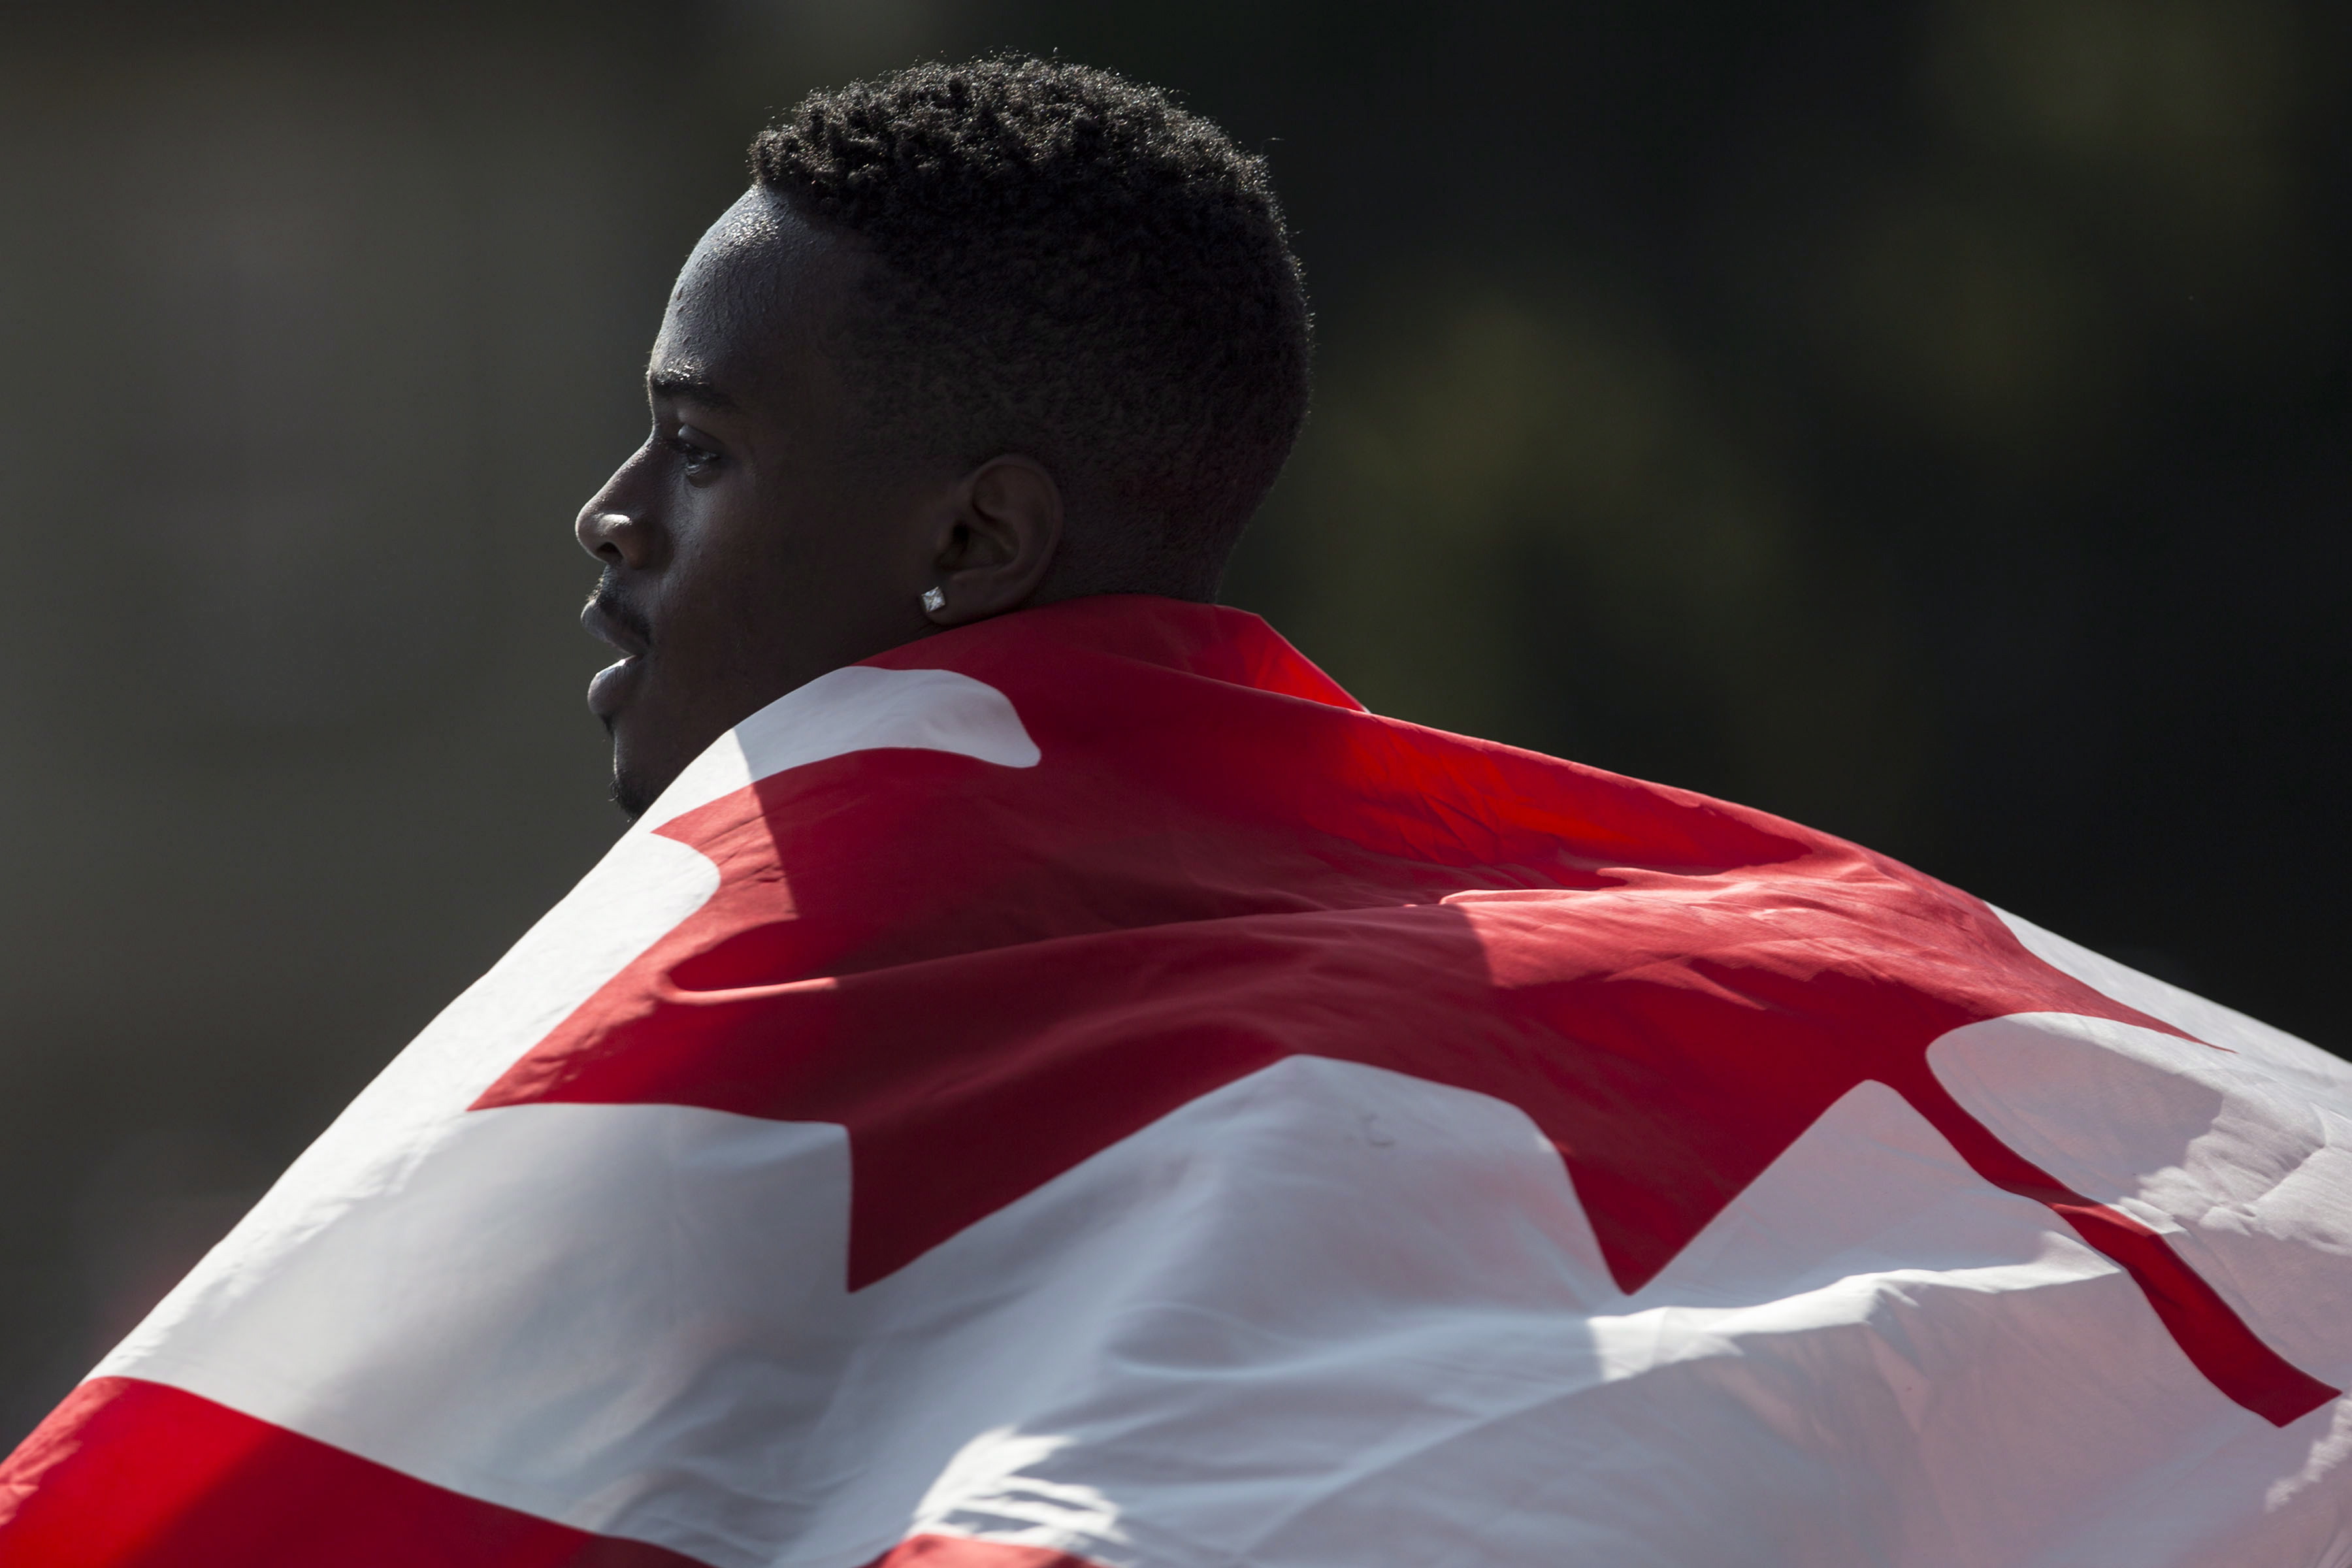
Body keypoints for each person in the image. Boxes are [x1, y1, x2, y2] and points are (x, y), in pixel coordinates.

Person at [6, 54, 2350, 1568]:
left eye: (705, 451)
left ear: (975, 544)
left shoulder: (775, 981)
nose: (611, 516)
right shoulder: (1670, 922)